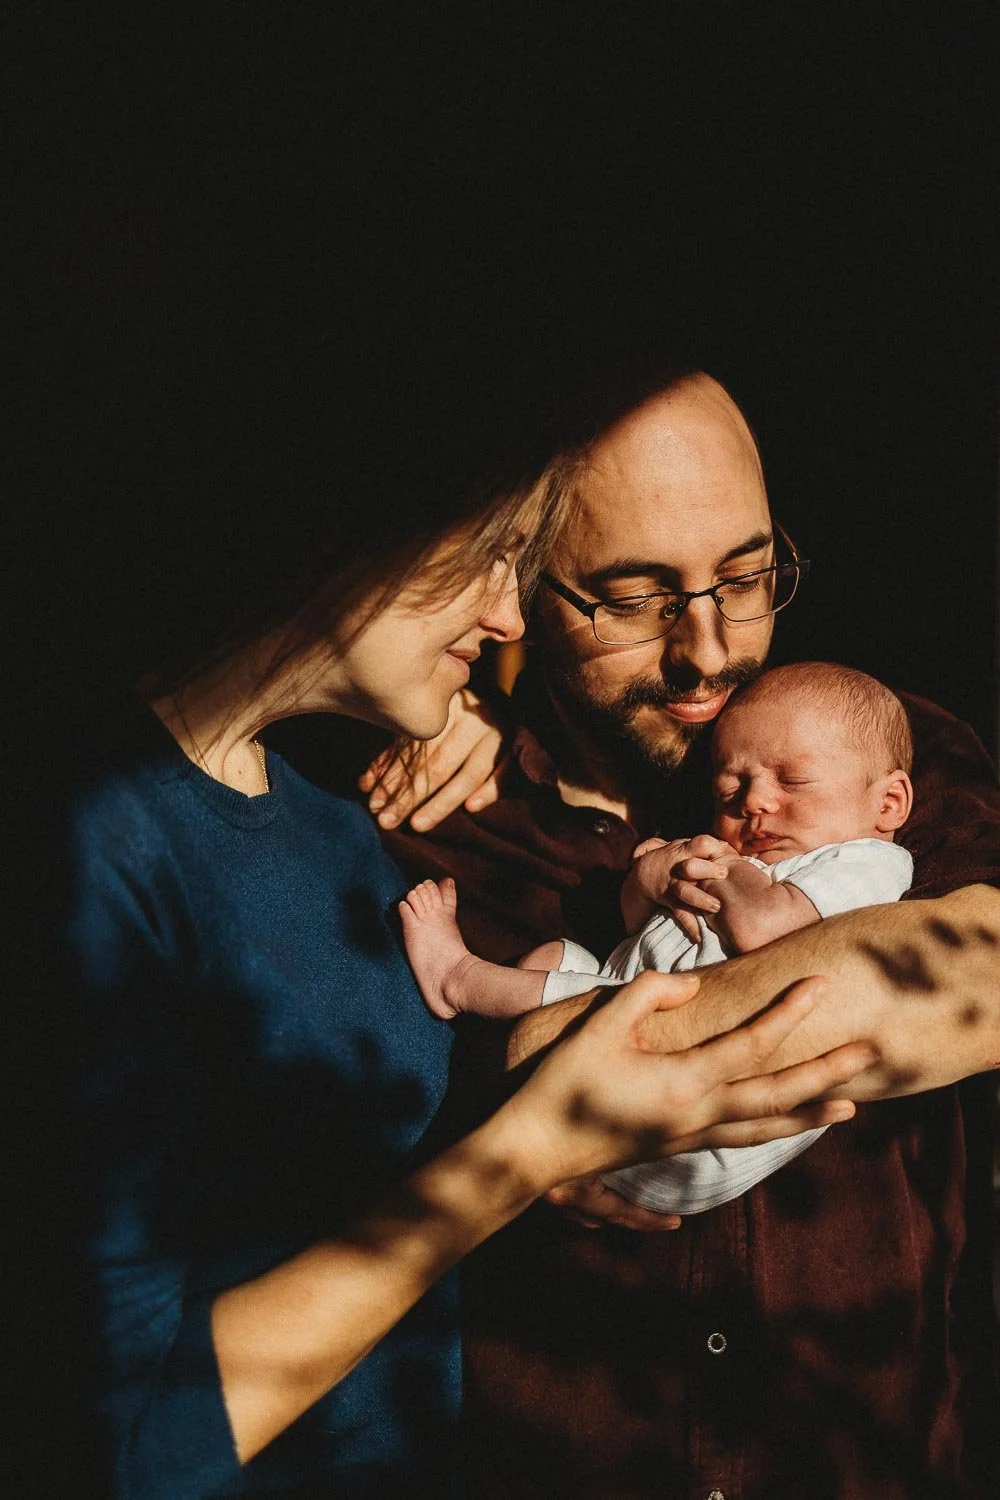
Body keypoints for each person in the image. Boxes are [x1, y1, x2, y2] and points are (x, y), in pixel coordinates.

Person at [37, 362, 882, 1500]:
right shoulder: (90, 836)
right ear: (352, 529)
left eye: (516, 565)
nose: (506, 617)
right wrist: (526, 1152)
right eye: (489, 558)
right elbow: (118, 1444)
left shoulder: (336, 827)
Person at [357, 365, 1000, 1498]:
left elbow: (984, 976)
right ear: (517, 588)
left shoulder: (884, 754)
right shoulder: (432, 813)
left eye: (745, 579)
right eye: (632, 596)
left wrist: (549, 1070)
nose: (707, 650)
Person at [401, 661, 915, 1216]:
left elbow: (760, 929)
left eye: (793, 781)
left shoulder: (865, 863)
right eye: (729, 787)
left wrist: (721, 865)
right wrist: (650, 878)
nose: (752, 802)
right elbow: (633, 929)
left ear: (888, 803)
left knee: (595, 1004)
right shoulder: (759, 860)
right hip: (636, 1066)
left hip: (699, 1118)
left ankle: (459, 978)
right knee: (557, 959)